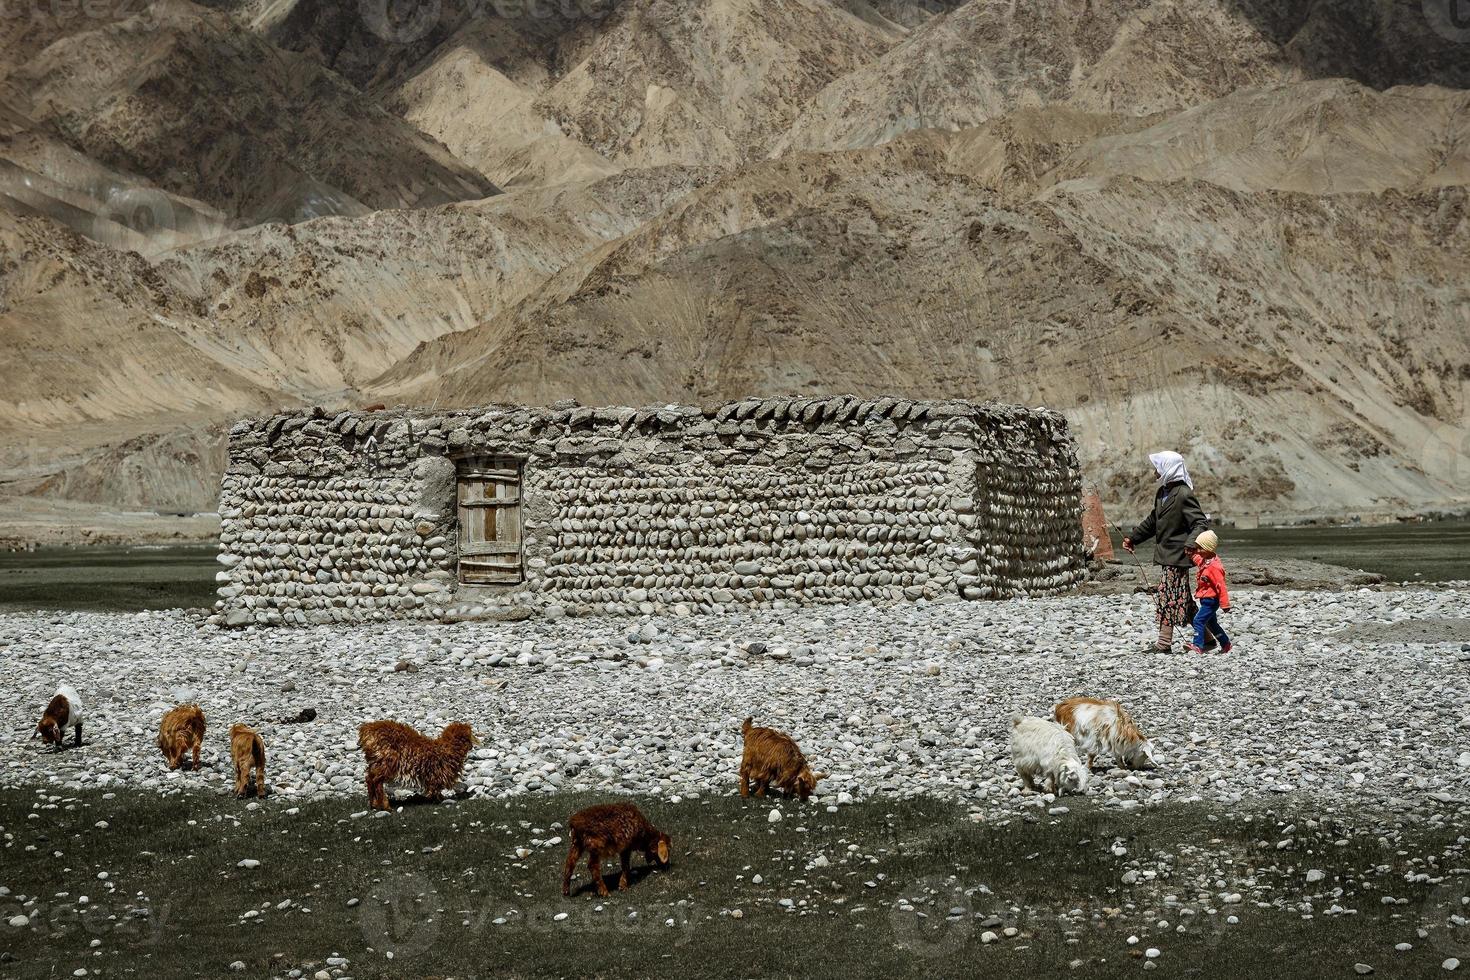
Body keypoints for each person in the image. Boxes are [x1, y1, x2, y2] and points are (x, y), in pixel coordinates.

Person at [1122, 451, 1212, 652]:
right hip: (1166, 556)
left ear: (1168, 468)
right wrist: (1133, 538)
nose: (1155, 472)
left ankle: (1163, 644)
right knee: (1184, 601)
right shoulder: (1162, 493)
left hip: (1178, 556)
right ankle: (1208, 638)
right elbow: (1153, 521)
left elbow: (1200, 522)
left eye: (1158, 467)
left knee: (1167, 597)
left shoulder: (1183, 494)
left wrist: (1190, 543)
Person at [1186, 530, 1232, 654]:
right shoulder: (1206, 560)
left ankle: (1198, 645)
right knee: (1212, 624)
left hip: (1211, 601)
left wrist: (1225, 604)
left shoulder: (1215, 567)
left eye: (1200, 548)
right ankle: (1225, 643)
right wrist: (1191, 554)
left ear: (1208, 548)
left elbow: (1221, 586)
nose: (1198, 550)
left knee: (1198, 620)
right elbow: (1198, 560)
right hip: (1205, 599)